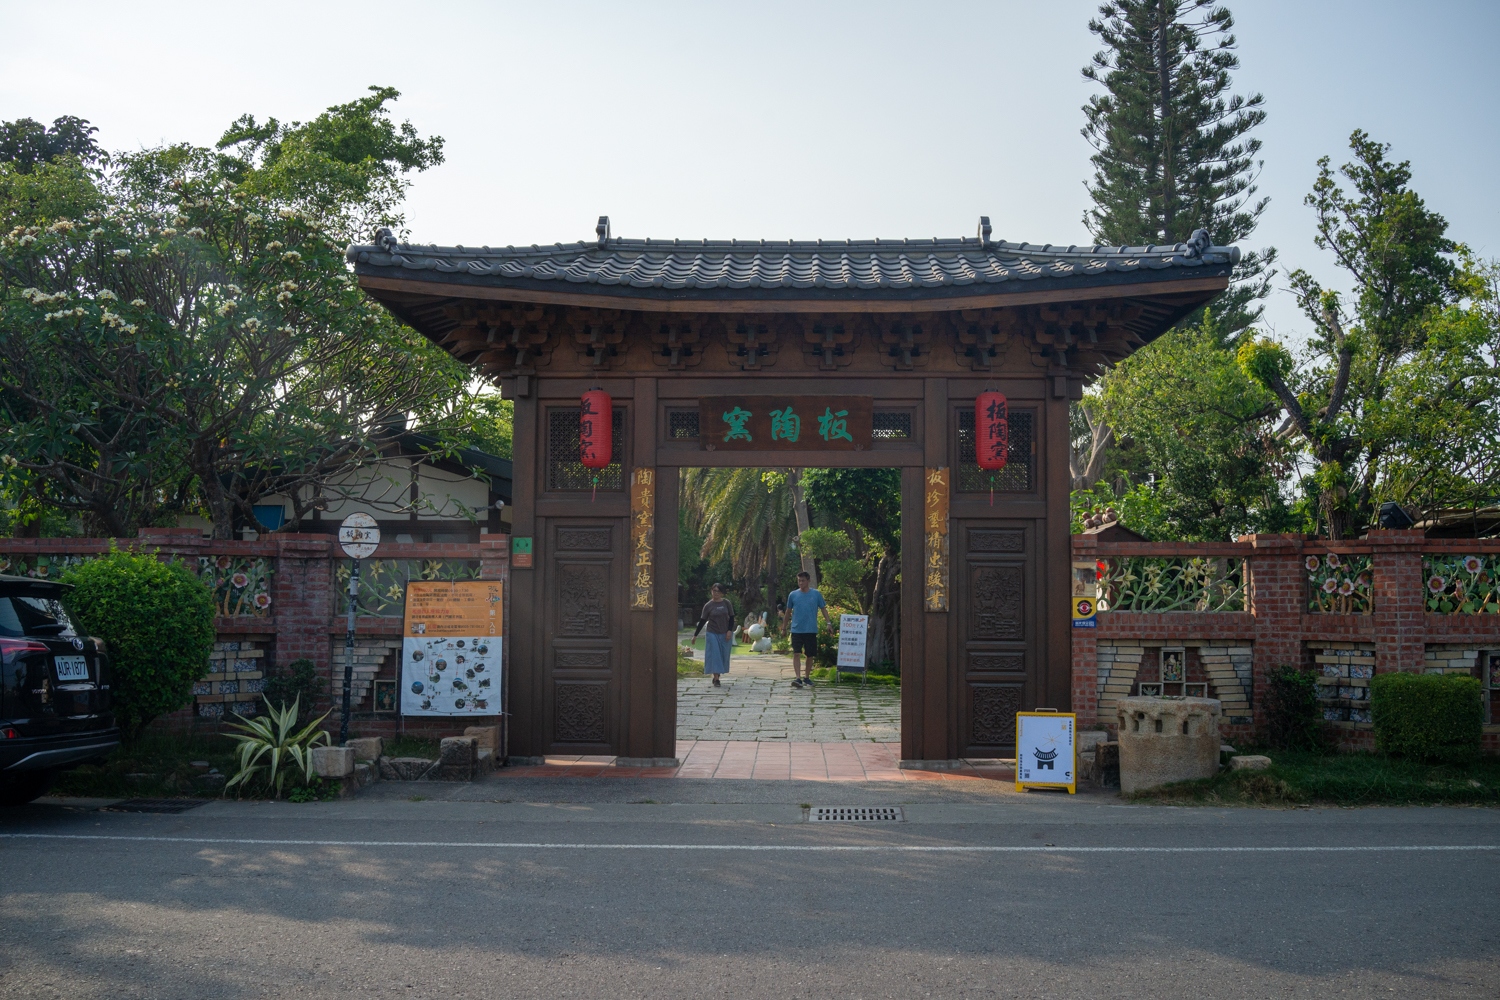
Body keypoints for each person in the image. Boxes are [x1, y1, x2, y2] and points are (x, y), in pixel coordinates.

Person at [782, 570, 832, 690]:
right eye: (799, 580)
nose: (800, 583)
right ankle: (798, 678)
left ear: (808, 581)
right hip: (796, 629)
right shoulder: (793, 595)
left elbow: (823, 609)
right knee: (796, 653)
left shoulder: (816, 594)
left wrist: (828, 623)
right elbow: (788, 612)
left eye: (803, 580)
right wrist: (784, 628)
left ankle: (807, 677)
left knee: (810, 655)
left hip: (810, 629)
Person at [691, 583, 735, 687]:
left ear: (722, 593)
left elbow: (732, 617)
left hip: (725, 632)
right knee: (715, 655)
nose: (716, 593)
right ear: (711, 591)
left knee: (723, 655)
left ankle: (718, 674)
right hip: (712, 632)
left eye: (718, 591)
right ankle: (716, 679)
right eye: (714, 591)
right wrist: (695, 635)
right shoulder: (708, 605)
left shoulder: (726, 603)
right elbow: (702, 621)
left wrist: (729, 630)